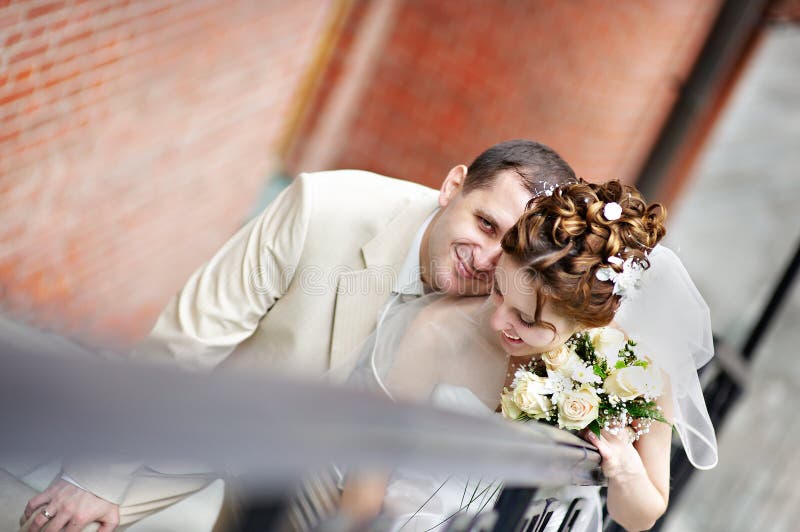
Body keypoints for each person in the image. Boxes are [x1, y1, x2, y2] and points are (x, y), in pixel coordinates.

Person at [11, 140, 577, 531]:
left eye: (511, 248)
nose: (485, 260)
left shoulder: (510, 304)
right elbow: (190, 339)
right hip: (228, 419)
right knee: (64, 516)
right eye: (484, 223)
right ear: (453, 186)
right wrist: (98, 476)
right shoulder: (323, 207)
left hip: (341, 485)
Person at [343, 179, 718, 531]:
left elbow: (641, 516)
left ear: (588, 322)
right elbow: (368, 476)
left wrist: (622, 466)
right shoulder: (436, 333)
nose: (498, 321)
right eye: (499, 291)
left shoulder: (634, 372)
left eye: (526, 320)